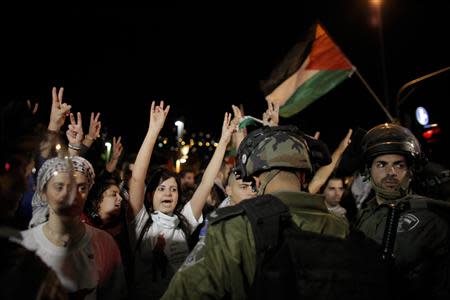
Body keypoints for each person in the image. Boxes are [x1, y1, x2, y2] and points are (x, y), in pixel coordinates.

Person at [162, 125, 353, 299]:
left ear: (256, 181)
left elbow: (182, 293)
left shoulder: (234, 229)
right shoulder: (342, 227)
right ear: (303, 176)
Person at [355, 123, 450, 298]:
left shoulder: (428, 215)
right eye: (381, 164)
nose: (391, 172)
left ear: (410, 171)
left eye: (399, 165)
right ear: (368, 170)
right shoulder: (365, 213)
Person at [19, 156, 127, 299]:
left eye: (81, 187)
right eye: (60, 186)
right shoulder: (24, 245)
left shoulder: (104, 243)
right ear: (44, 193)